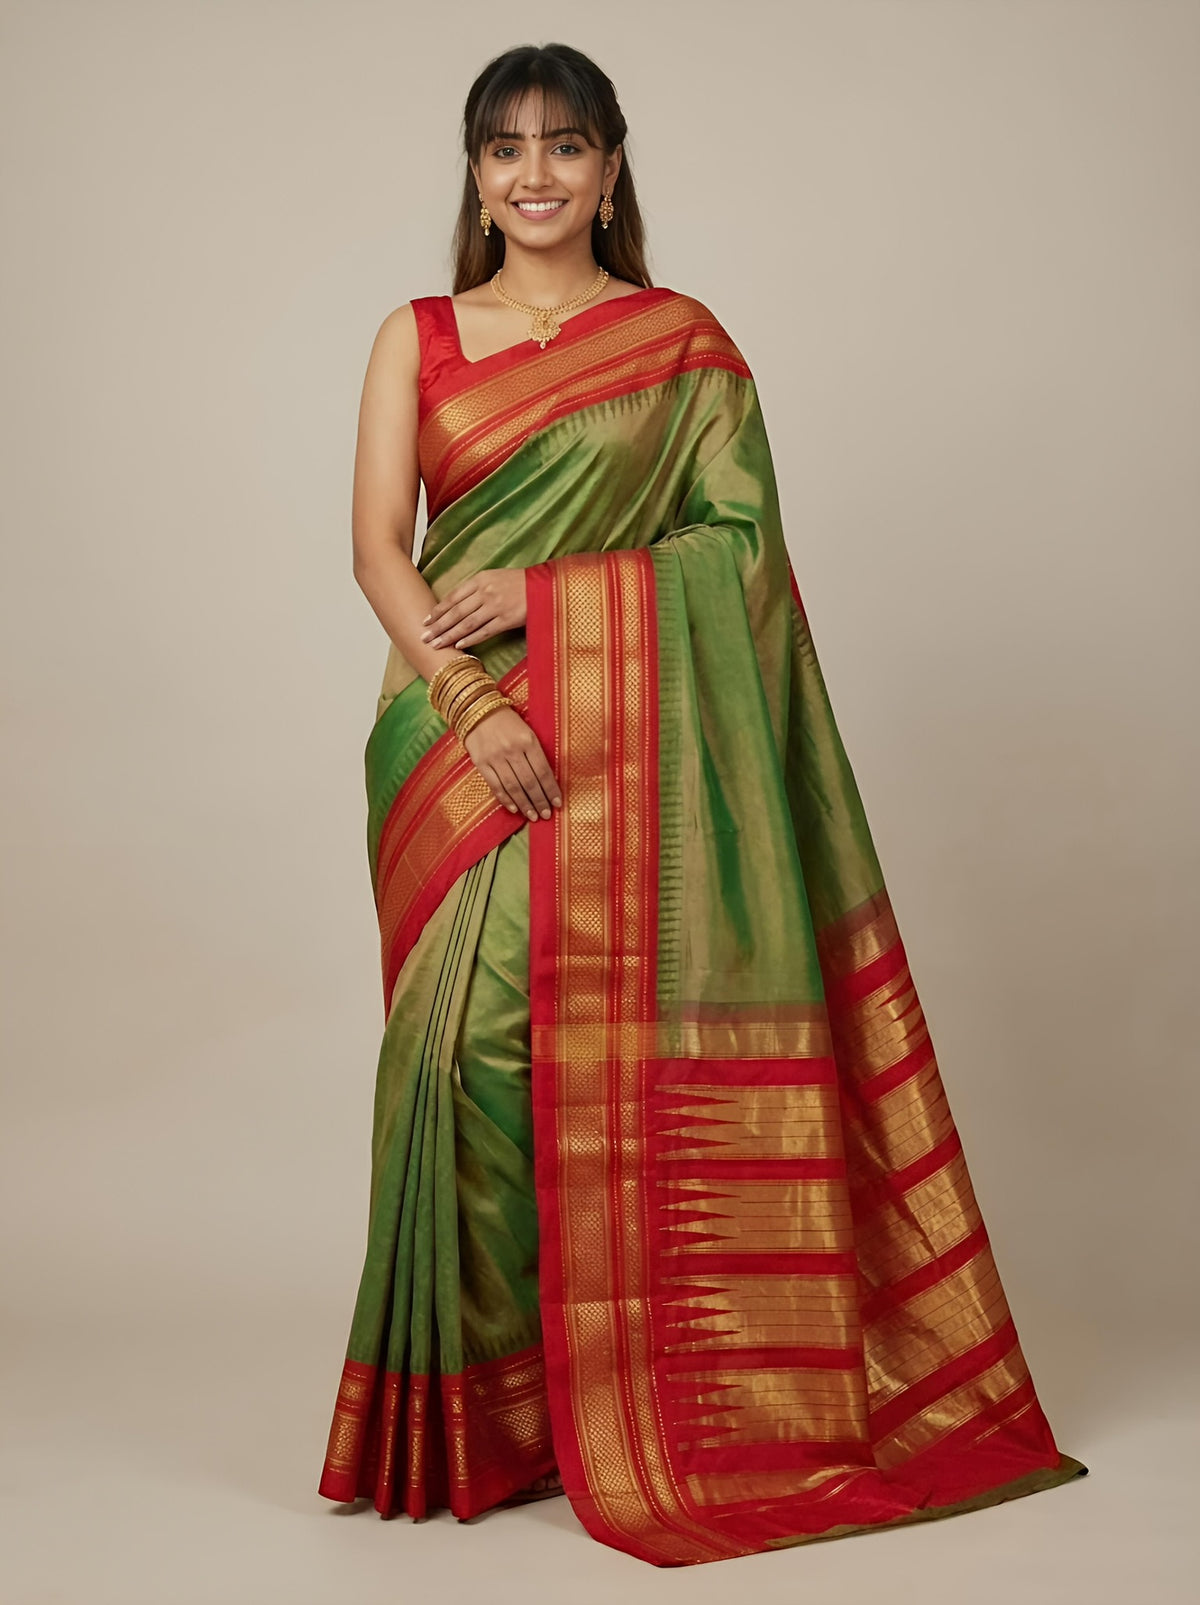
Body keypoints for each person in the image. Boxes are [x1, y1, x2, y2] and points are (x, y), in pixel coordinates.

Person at [316, 40, 1085, 1569]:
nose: (533, 176)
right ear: (474, 174)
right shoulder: (415, 336)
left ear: (612, 166)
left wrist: (543, 593)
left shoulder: (679, 345)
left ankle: (614, 1396)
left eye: (565, 146)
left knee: (564, 1042)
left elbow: (739, 558)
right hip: (453, 737)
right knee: (449, 1055)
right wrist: (471, 704)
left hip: (617, 735)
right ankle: (487, 1412)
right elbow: (377, 555)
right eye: (502, 149)